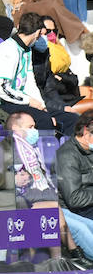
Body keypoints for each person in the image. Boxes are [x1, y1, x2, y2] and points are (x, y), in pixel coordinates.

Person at [0, 11, 80, 134]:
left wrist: (42, 106)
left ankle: (68, 151)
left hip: (21, 102)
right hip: (3, 104)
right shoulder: (8, 50)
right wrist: (28, 101)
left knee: (72, 119)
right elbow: (1, 88)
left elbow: (30, 83)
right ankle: (47, 151)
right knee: (45, 120)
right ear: (37, 33)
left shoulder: (26, 50)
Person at [56, 110, 93, 259]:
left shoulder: (88, 150)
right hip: (77, 209)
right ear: (85, 131)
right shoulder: (67, 156)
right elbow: (74, 198)